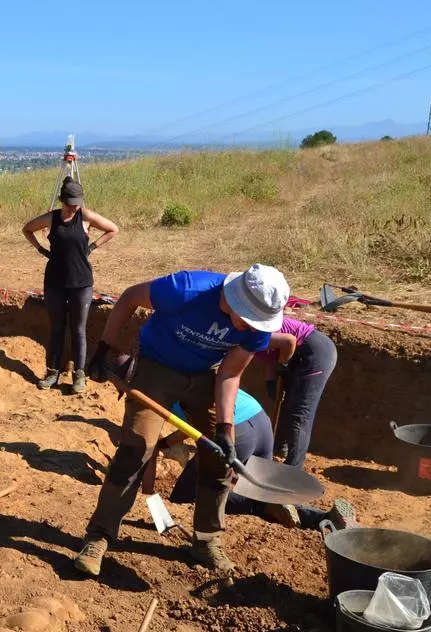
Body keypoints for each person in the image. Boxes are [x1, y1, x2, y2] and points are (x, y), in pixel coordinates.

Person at [74, 263, 290, 575]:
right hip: (155, 368)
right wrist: (103, 349)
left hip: (205, 375)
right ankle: (99, 537)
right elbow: (130, 297)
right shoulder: (187, 289)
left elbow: (230, 373)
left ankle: (206, 541)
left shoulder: (259, 328)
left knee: (219, 457)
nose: (251, 327)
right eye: (249, 319)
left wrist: (226, 429)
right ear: (236, 300)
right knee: (136, 447)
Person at [159, 389, 357, 531]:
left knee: (185, 495)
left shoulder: (160, 392)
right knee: (262, 489)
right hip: (260, 422)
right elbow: (195, 424)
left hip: (236, 432)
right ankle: (325, 518)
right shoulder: (190, 376)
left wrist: (159, 448)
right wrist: (167, 443)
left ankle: (259, 505)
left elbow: (199, 425)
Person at [22, 177, 119, 394]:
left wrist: (92, 247)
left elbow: (113, 229)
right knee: (56, 328)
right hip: (55, 281)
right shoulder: (51, 218)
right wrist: (40, 250)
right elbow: (27, 229)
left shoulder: (85, 216)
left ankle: (79, 375)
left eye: (77, 203)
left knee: (78, 330)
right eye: (70, 203)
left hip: (81, 282)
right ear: (62, 201)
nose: (74, 207)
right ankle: (52, 373)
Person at [259, 317, 337, 469]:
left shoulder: (250, 330)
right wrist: (271, 381)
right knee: (286, 404)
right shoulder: (243, 331)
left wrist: (283, 364)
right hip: (295, 354)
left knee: (300, 414)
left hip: (314, 351)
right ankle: (280, 447)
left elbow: (288, 341)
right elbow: (269, 356)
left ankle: (294, 468)